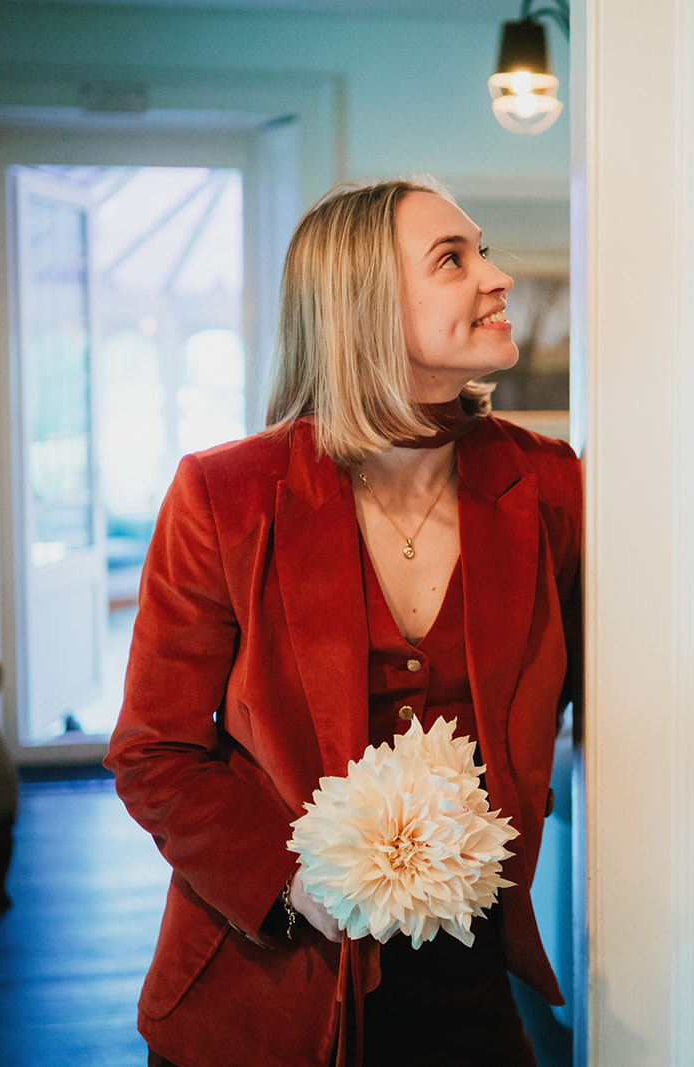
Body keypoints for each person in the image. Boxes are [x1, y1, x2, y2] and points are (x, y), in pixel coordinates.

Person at [105, 177, 582, 1067]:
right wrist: (293, 885)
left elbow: (613, 705)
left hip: (469, 985)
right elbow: (153, 751)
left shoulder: (551, 487)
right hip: (257, 988)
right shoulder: (224, 496)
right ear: (364, 305)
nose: (497, 278)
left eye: (486, 252)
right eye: (454, 259)